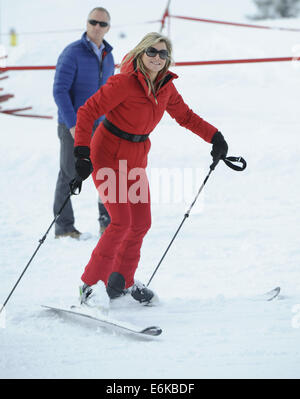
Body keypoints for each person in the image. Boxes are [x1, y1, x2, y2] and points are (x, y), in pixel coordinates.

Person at [73, 32, 228, 312]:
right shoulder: (124, 82)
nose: (157, 58)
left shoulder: (165, 87)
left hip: (135, 158)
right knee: (120, 221)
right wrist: (81, 152)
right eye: (152, 52)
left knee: (141, 222)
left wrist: (214, 136)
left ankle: (120, 282)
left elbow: (186, 116)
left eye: (163, 54)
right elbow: (87, 111)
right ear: (142, 53)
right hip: (107, 155)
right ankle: (89, 285)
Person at [53, 7, 114, 239]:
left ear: (108, 28)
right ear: (87, 23)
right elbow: (59, 91)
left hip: (101, 125)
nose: (97, 27)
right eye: (93, 22)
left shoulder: (108, 55)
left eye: (103, 24)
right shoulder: (72, 53)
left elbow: (109, 93)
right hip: (73, 125)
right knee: (70, 173)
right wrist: (73, 124)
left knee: (107, 172)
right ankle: (64, 227)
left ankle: (107, 223)